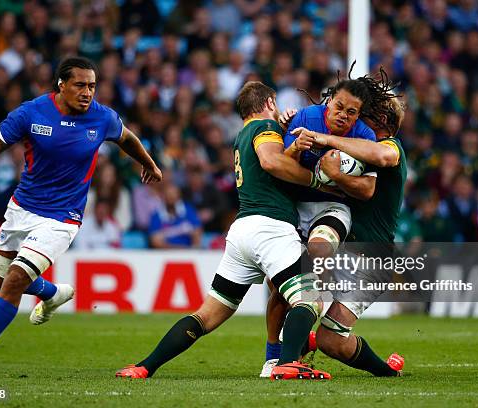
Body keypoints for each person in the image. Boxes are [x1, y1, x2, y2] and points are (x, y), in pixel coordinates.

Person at [0, 56, 162, 376]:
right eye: (80, 85)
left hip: (62, 217)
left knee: (15, 281)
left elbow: (126, 137)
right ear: (61, 85)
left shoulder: (102, 117)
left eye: (92, 86)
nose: (88, 92)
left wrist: (148, 162)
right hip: (21, 209)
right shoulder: (32, 113)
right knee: (0, 282)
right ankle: (53, 293)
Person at [116, 81, 332, 380]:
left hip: (242, 232)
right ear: (269, 102)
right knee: (310, 299)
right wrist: (316, 180)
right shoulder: (264, 129)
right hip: (270, 228)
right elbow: (271, 161)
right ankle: (286, 363)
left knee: (205, 316)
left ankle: (144, 366)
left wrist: (291, 139)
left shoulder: (241, 136)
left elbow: (271, 161)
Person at [260, 69, 394, 376]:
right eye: (339, 107)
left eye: (352, 112)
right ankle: (273, 353)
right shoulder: (305, 117)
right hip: (294, 207)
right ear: (329, 101)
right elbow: (280, 163)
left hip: (333, 207)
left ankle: (321, 292)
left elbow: (367, 190)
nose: (344, 116)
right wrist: (295, 147)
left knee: (318, 249)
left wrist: (336, 175)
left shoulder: (364, 136)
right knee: (278, 287)